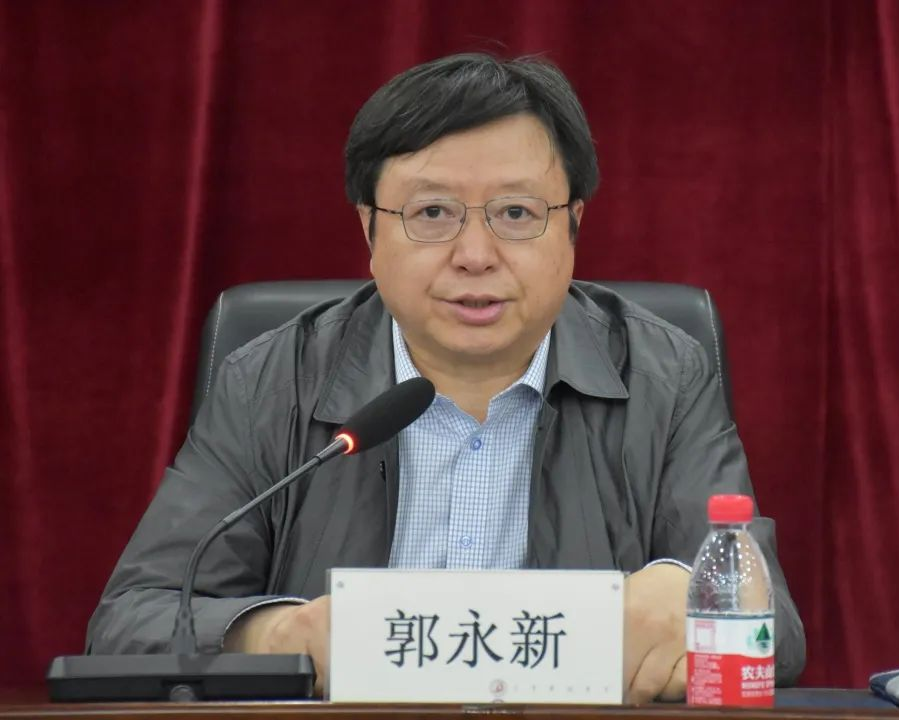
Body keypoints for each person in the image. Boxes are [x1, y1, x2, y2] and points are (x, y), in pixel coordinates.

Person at [87, 53, 805, 700]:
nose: (475, 254)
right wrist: (279, 635)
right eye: (432, 212)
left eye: (516, 212)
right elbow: (132, 620)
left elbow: (776, 633)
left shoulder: (664, 376)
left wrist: (685, 592)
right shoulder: (272, 381)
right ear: (369, 231)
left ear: (573, 227)